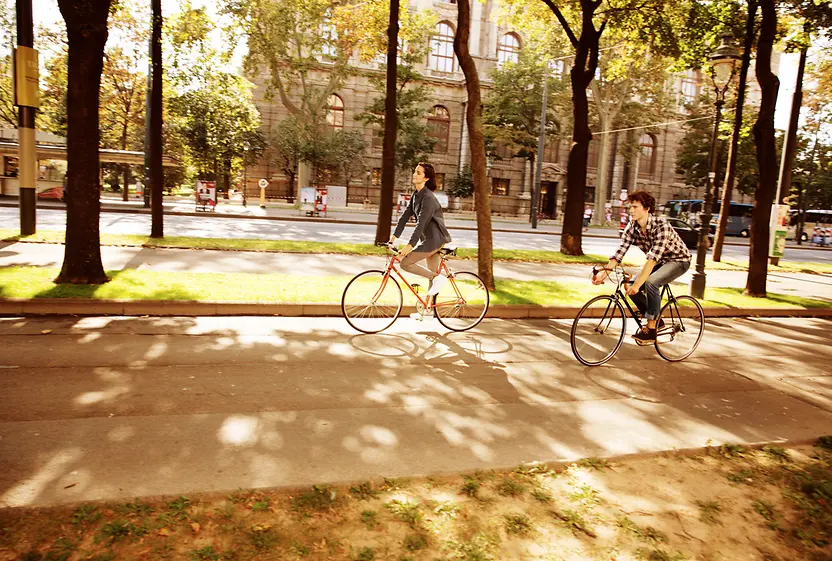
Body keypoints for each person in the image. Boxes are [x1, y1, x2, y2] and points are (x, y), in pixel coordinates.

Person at [592, 190, 691, 345]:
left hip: (678, 260)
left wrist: (639, 284)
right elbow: (620, 253)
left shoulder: (661, 225)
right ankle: (658, 320)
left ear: (647, 209)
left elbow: (651, 261)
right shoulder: (632, 227)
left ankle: (651, 329)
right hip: (660, 261)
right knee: (629, 286)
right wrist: (604, 273)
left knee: (651, 282)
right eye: (630, 207)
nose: (631, 210)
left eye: (635, 207)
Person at [390, 163, 452, 319]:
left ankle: (438, 279)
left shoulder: (428, 198)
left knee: (405, 263)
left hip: (434, 240)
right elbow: (404, 218)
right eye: (414, 172)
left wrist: (408, 248)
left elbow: (420, 225)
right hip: (429, 239)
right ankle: (426, 310)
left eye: (418, 173)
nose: (414, 174)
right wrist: (393, 239)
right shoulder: (416, 195)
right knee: (432, 273)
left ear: (426, 177)